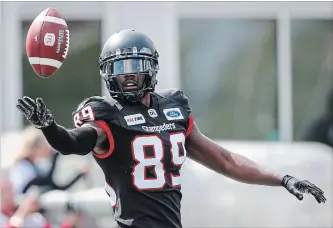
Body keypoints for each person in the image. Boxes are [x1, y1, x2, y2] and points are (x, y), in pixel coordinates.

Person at [16, 29, 326, 228]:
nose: (127, 76)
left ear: (151, 67)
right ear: (108, 73)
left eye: (135, 66)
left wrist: (282, 178)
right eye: (120, 68)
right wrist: (48, 126)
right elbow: (74, 142)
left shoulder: (173, 106)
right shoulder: (106, 115)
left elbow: (224, 160)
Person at [9, 126, 88, 195]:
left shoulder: (39, 166)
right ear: (36, 148)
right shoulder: (22, 167)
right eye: (44, 145)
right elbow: (23, 189)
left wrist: (79, 175)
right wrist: (54, 159)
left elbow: (55, 186)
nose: (47, 148)